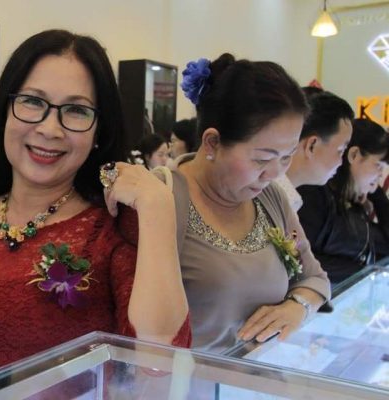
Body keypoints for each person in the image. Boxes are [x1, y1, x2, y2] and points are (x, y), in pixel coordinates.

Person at [0, 29, 190, 394]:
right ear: (4, 111)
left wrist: (157, 205)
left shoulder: (114, 230)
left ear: (98, 131)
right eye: (33, 102)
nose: (50, 129)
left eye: (76, 110)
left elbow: (158, 361)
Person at [165, 54, 330, 353]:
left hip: (252, 373)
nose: (275, 173)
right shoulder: (164, 198)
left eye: (287, 157)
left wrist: (297, 306)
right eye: (262, 159)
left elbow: (315, 278)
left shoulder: (271, 197)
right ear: (212, 143)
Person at [298, 118, 389, 284]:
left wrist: (375, 192)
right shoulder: (314, 194)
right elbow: (301, 260)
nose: (380, 175)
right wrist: (363, 273)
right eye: (378, 166)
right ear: (354, 155)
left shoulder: (353, 202)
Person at [276, 92, 354, 211]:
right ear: (312, 145)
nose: (340, 162)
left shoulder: (287, 198)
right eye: (341, 150)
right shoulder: (266, 195)